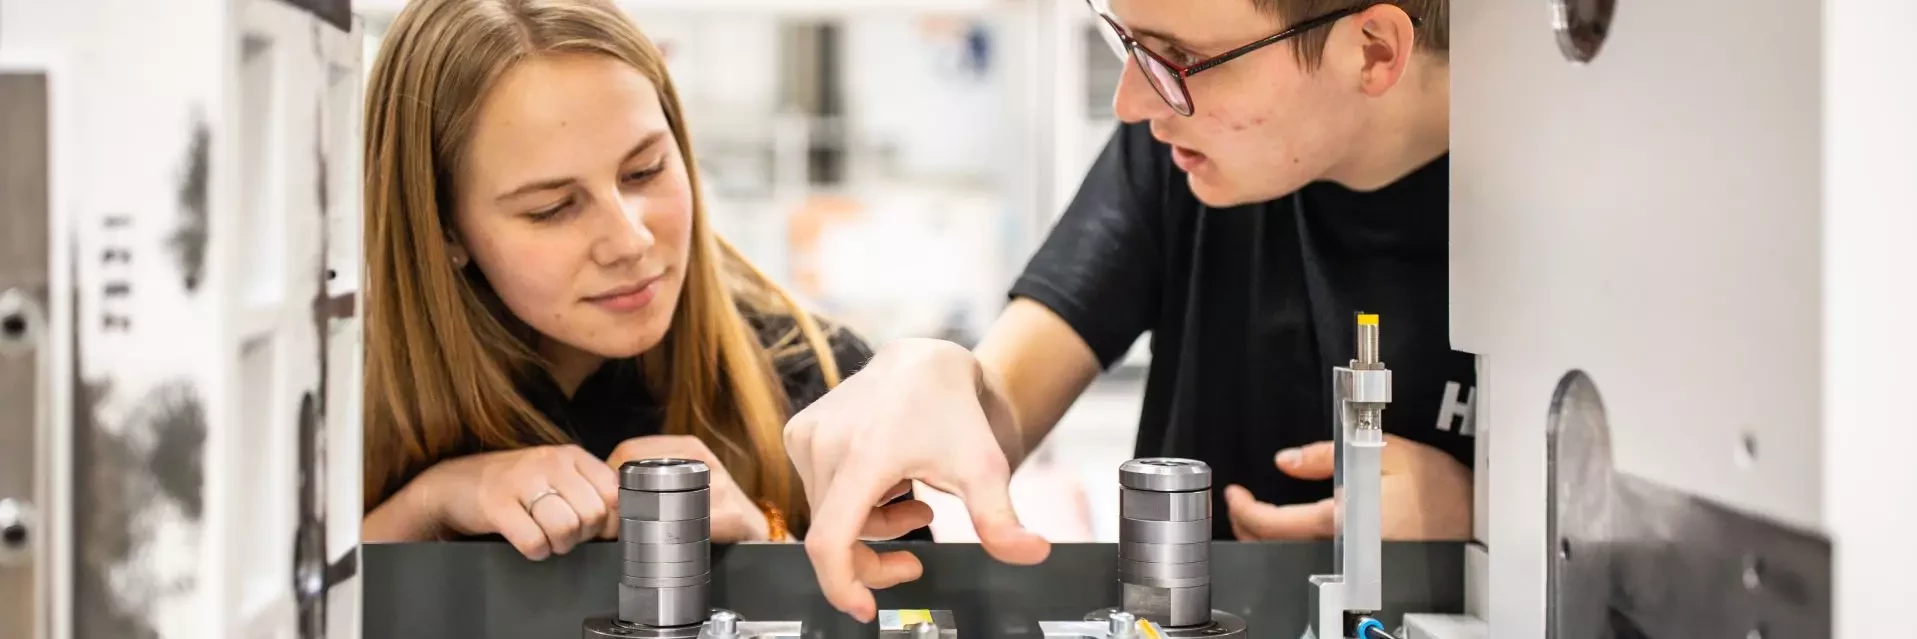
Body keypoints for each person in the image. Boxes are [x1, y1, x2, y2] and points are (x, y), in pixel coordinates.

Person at [784, 0, 1474, 622]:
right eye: (1128, 43)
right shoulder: (1183, 149)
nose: (1131, 102)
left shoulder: (1556, 223)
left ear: (1374, 50)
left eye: (1179, 59)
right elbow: (1002, 402)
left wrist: (1485, 519)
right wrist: (936, 376)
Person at [357, 0, 932, 562]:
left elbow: (918, 617)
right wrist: (428, 505)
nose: (630, 241)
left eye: (645, 170)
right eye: (553, 207)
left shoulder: (821, 376)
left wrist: (767, 550)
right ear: (443, 229)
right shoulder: (331, 398)